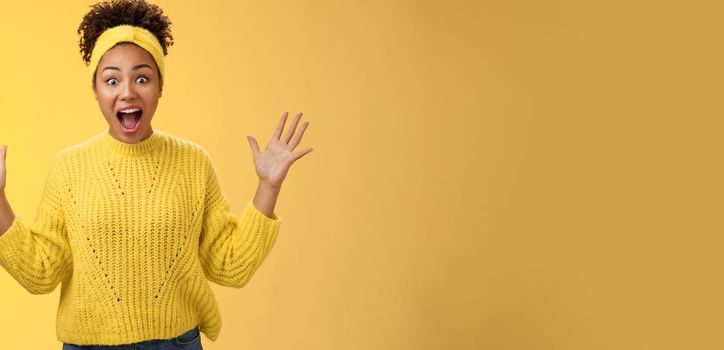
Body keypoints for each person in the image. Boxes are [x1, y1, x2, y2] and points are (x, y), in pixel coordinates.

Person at [0, 0, 313, 348]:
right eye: (112, 80)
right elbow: (41, 272)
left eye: (142, 78)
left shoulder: (194, 164)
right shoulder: (68, 168)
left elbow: (229, 265)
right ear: (96, 90)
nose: (127, 92)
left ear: (160, 87)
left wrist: (269, 186)